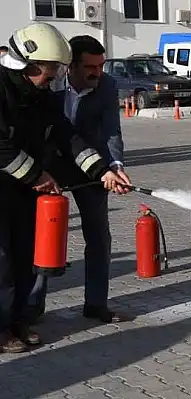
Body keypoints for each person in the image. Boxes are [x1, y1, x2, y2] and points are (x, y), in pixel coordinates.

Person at [0, 22, 126, 352]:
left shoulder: (39, 95)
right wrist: (39, 176)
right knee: (2, 261)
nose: (54, 77)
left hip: (25, 189)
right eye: (51, 70)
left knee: (27, 253)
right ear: (29, 64)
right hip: (8, 185)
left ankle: (18, 322)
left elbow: (66, 134)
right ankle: (2, 329)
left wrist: (101, 169)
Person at [27, 35, 131, 324]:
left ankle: (96, 304)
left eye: (101, 65)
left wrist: (115, 165)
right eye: (90, 66)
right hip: (50, 165)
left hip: (93, 165)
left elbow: (112, 130)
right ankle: (33, 307)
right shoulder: (48, 82)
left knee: (99, 236)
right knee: (44, 235)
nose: (97, 73)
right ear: (69, 66)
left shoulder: (108, 85)